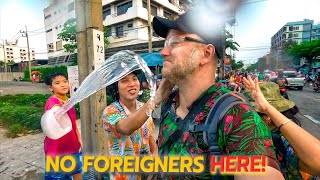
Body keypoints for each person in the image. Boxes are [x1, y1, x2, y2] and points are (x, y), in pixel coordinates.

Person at [151, 9, 283, 179]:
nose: (163, 52)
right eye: (165, 44)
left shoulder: (237, 115)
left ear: (206, 54)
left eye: (174, 43)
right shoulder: (169, 102)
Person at [243, 76, 320, 177]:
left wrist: (267, 108)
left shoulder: (283, 142)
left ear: (267, 117)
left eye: (248, 113)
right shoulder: (246, 136)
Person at [101, 71, 158, 180]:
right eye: (124, 81)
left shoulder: (143, 107)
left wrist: (155, 157)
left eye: (134, 78)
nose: (132, 84)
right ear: (116, 87)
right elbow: (125, 128)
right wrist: (155, 100)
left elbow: (149, 138)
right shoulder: (110, 111)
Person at [44, 72, 82, 180]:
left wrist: (79, 139)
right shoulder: (53, 100)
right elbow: (54, 109)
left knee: (77, 171)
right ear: (51, 88)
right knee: (57, 176)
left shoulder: (69, 101)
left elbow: (73, 123)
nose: (63, 85)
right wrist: (60, 107)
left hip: (72, 144)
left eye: (65, 81)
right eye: (57, 83)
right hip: (56, 148)